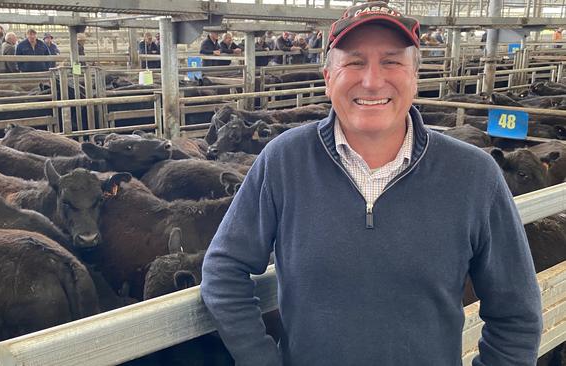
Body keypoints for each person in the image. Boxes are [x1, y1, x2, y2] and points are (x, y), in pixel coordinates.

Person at [200, 2, 542, 366]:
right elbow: (223, 269)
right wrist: (260, 360)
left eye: (392, 61)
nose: (372, 80)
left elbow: (516, 315)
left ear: (415, 75)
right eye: (354, 61)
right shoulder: (283, 161)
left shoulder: (474, 175)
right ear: (328, 77)